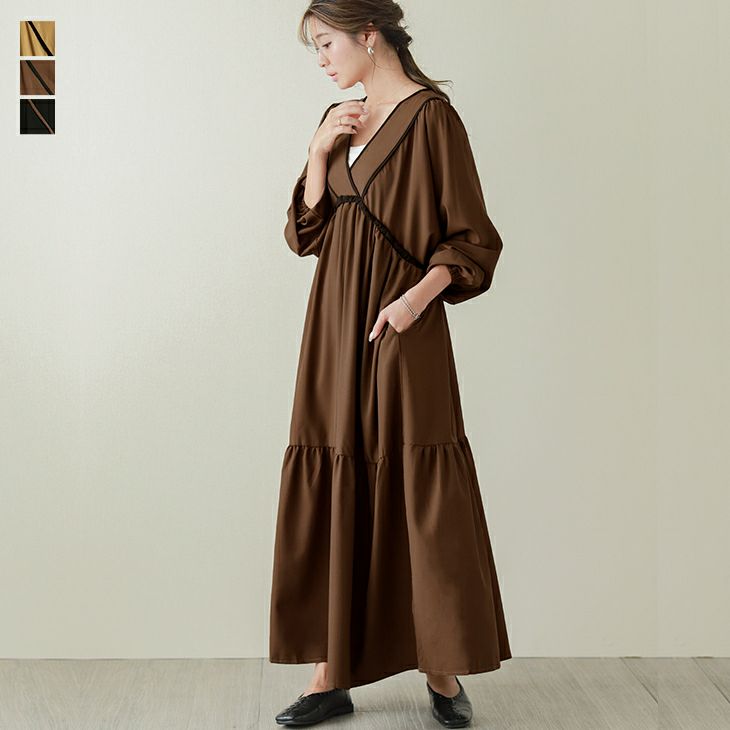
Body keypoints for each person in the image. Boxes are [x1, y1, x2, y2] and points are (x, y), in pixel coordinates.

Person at [269, 1, 512, 726]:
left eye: (326, 43)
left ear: (368, 35)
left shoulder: (433, 119)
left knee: (412, 480)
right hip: (334, 325)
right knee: (338, 464)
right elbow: (307, 234)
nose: (321, 59)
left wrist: (413, 302)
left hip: (404, 326)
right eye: (315, 47)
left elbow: (472, 238)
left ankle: (441, 669)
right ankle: (329, 672)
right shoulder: (340, 117)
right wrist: (318, 154)